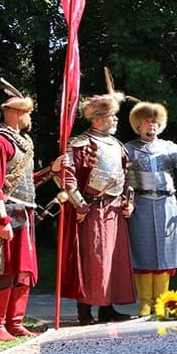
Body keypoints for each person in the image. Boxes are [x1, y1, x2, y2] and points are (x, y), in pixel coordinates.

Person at [0, 84, 57, 341]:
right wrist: (1, 219)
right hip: (8, 212)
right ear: (17, 113)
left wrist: (51, 170)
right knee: (4, 269)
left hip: (26, 211)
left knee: (23, 269)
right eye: (28, 113)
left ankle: (15, 321)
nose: (30, 118)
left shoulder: (24, 142)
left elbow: (25, 182)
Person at [61, 91, 136, 324]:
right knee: (92, 260)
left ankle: (108, 308)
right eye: (112, 115)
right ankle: (85, 312)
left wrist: (129, 201)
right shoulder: (81, 143)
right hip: (92, 210)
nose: (116, 119)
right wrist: (80, 205)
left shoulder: (117, 145)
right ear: (99, 118)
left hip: (114, 210)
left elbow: (126, 176)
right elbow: (66, 175)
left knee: (113, 260)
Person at [125, 101, 177, 317]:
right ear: (138, 125)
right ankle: (145, 302)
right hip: (140, 205)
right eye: (146, 121)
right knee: (143, 252)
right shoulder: (128, 149)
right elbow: (121, 179)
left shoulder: (168, 147)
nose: (150, 125)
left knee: (165, 253)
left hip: (166, 204)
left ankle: (162, 301)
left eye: (154, 121)